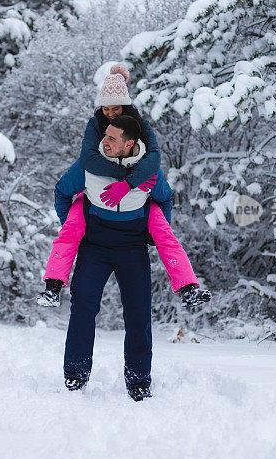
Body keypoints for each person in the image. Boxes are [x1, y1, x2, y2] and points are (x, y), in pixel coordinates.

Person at [47, 114, 204, 401]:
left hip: (132, 247)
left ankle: (138, 380)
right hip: (95, 246)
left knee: (138, 314)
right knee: (83, 308)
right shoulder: (89, 165)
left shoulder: (149, 172)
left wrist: (148, 234)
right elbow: (61, 191)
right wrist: (73, 222)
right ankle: (75, 375)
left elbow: (165, 198)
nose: (103, 142)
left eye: (111, 139)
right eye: (104, 135)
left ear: (130, 143)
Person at [36, 64, 211, 311]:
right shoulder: (95, 123)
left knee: (165, 234)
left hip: (139, 193)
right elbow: (87, 160)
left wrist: (133, 183)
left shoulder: (140, 126)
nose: (110, 114)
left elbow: (154, 159)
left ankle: (188, 288)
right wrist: (125, 179)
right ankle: (52, 287)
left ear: (125, 106)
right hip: (96, 190)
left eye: (115, 108)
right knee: (69, 232)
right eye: (105, 108)